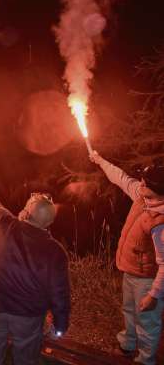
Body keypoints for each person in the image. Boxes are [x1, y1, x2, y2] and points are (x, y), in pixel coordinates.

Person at [0, 155, 70, 365]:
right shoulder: (56, 252)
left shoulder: (4, 224)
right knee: (25, 358)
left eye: (27, 205)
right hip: (28, 316)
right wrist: (59, 326)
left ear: (25, 213)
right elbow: (60, 294)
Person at [90, 151, 164, 365]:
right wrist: (100, 160)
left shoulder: (160, 223)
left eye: (145, 182)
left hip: (148, 280)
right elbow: (121, 178)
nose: (140, 183)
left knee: (147, 320)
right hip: (130, 272)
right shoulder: (142, 197)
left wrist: (153, 294)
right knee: (129, 310)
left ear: (159, 192)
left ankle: (146, 359)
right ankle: (128, 343)